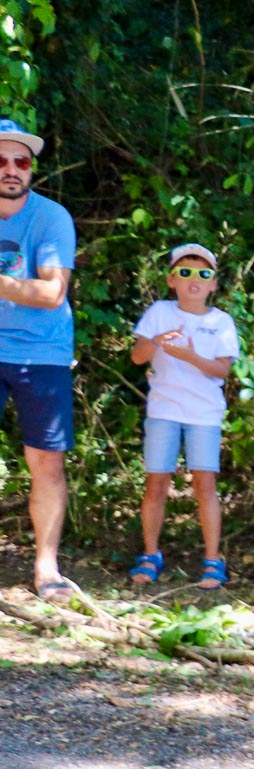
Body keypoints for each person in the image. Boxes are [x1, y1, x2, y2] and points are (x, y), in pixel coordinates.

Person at [129, 242, 241, 589]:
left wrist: (190, 356)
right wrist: (159, 341)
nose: (195, 279)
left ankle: (212, 559)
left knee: (204, 486)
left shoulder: (221, 322)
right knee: (156, 483)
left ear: (213, 284)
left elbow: (222, 371)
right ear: (172, 279)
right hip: (163, 410)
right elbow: (137, 357)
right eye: (186, 272)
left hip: (204, 414)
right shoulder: (159, 312)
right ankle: (150, 554)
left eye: (203, 273)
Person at [0, 118, 79, 602]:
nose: (11, 169)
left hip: (41, 350)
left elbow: (52, 292)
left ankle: (46, 569)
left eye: (21, 161)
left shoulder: (52, 218)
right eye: (1, 161)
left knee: (46, 461)